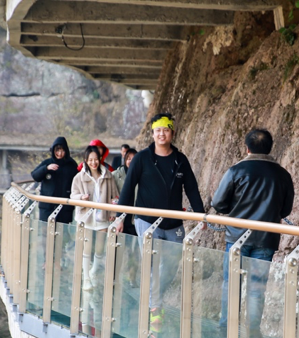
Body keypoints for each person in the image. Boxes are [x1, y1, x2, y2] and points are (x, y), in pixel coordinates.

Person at [210, 128, 294, 338]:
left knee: (231, 287)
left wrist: (235, 209)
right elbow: (285, 211)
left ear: (247, 148)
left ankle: (224, 336)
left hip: (237, 238)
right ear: (270, 148)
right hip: (266, 239)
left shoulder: (237, 170)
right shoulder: (283, 175)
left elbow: (218, 203)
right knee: (257, 290)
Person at [118, 113, 205, 326]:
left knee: (172, 264)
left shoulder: (180, 159)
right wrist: (121, 217)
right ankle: (155, 307)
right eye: (158, 130)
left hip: (174, 222)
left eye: (166, 130)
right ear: (153, 133)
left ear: (172, 133)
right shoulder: (142, 158)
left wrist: (201, 214)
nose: (162, 134)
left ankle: (153, 296)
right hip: (146, 221)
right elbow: (128, 188)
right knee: (152, 265)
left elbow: (191, 188)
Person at [71, 146, 120, 326]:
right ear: (86, 160)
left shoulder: (108, 175)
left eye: (95, 159)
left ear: (100, 159)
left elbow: (115, 195)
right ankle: (86, 278)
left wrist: (114, 208)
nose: (93, 162)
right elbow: (73, 195)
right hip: (85, 216)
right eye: (90, 159)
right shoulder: (80, 177)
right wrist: (81, 198)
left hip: (103, 217)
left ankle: (92, 271)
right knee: (87, 247)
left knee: (100, 247)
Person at [30, 136, 77, 223]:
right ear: (53, 150)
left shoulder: (71, 164)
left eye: (62, 150)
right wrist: (46, 168)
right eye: (57, 150)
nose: (60, 153)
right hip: (47, 207)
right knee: (45, 234)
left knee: (63, 234)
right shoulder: (47, 162)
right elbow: (35, 176)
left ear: (66, 151)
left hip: (64, 207)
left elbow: (77, 180)